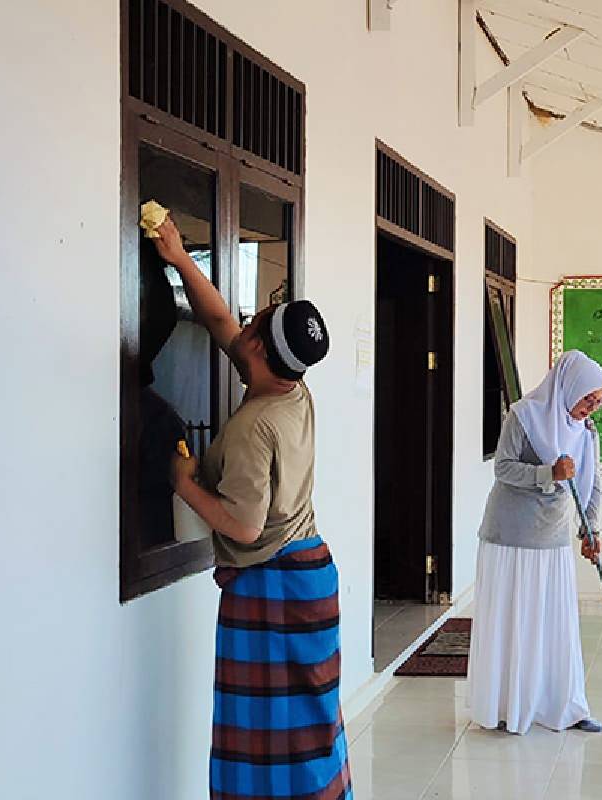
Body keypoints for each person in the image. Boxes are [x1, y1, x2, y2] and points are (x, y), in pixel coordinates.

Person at [151, 216, 352, 800]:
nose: (248, 320)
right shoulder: (291, 388)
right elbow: (220, 322)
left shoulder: (252, 427)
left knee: (267, 737)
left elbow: (242, 523)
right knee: (311, 725)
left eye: (258, 321)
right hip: (310, 574)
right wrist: (182, 260)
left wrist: (182, 482)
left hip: (273, 589)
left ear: (261, 346)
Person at [467, 351, 602, 735]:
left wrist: (590, 530)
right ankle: (508, 707)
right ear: (570, 387)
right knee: (515, 622)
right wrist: (548, 473)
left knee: (553, 623)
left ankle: (565, 705)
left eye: (597, 402)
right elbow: (503, 467)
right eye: (587, 399)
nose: (590, 407)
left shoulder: (586, 432)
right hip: (511, 535)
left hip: (552, 537)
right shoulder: (524, 415)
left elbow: (591, 484)